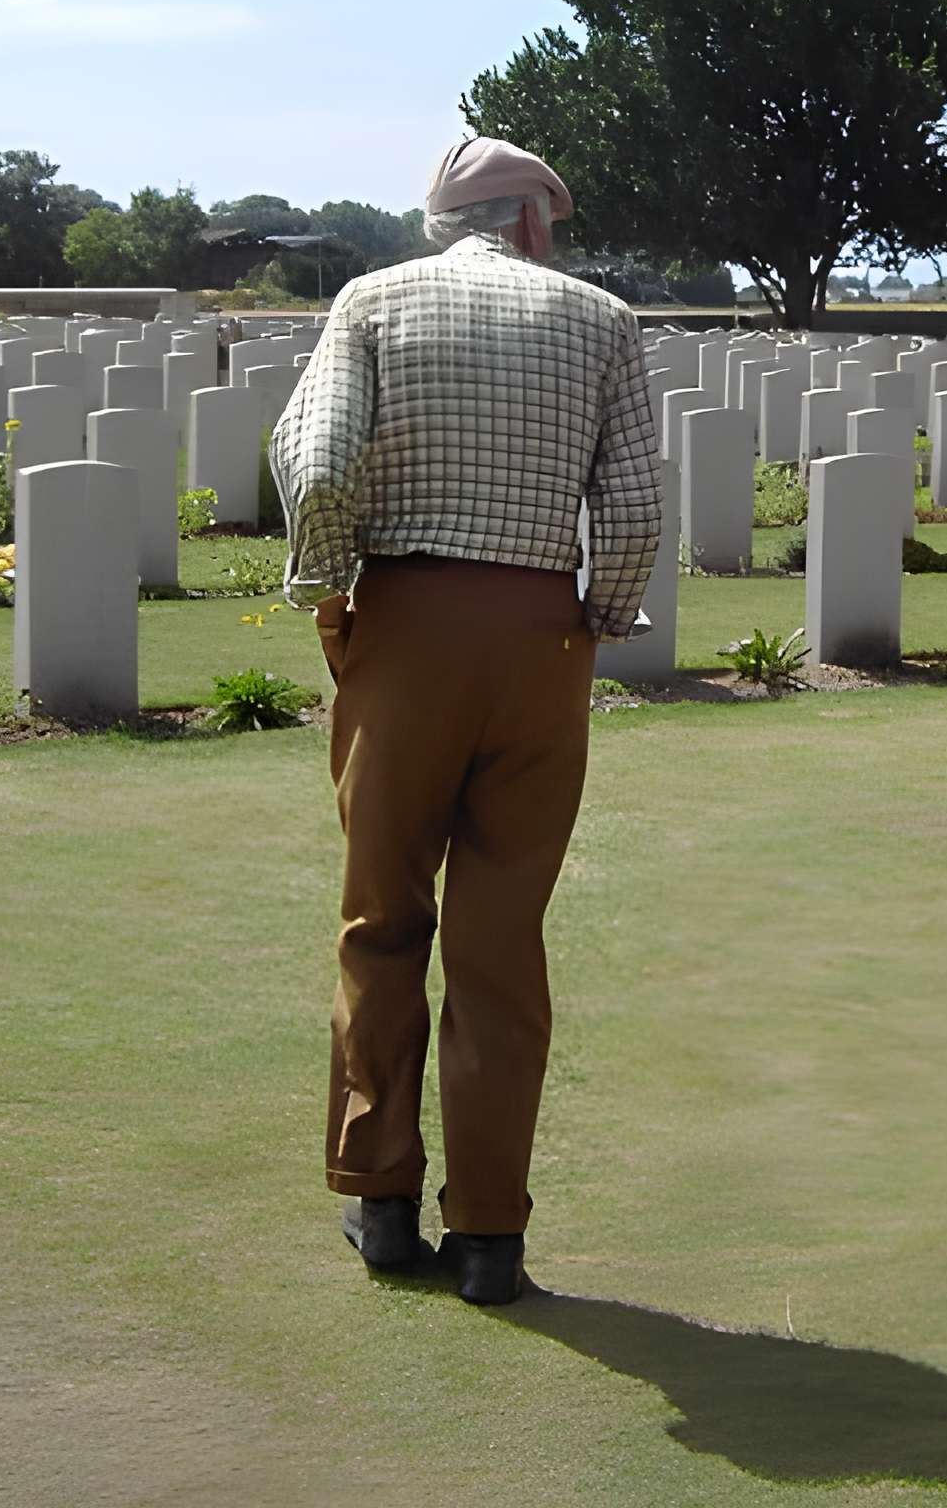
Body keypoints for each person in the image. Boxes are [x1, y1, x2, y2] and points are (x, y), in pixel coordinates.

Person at [270, 135, 662, 1305]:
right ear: (534, 219)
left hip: (403, 619)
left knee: (381, 916)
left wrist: (330, 589)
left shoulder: (372, 302)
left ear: (447, 220)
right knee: (500, 942)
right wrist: (598, 610)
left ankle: (379, 1199)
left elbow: (320, 454)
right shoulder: (599, 320)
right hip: (539, 631)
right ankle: (490, 1234)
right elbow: (634, 501)